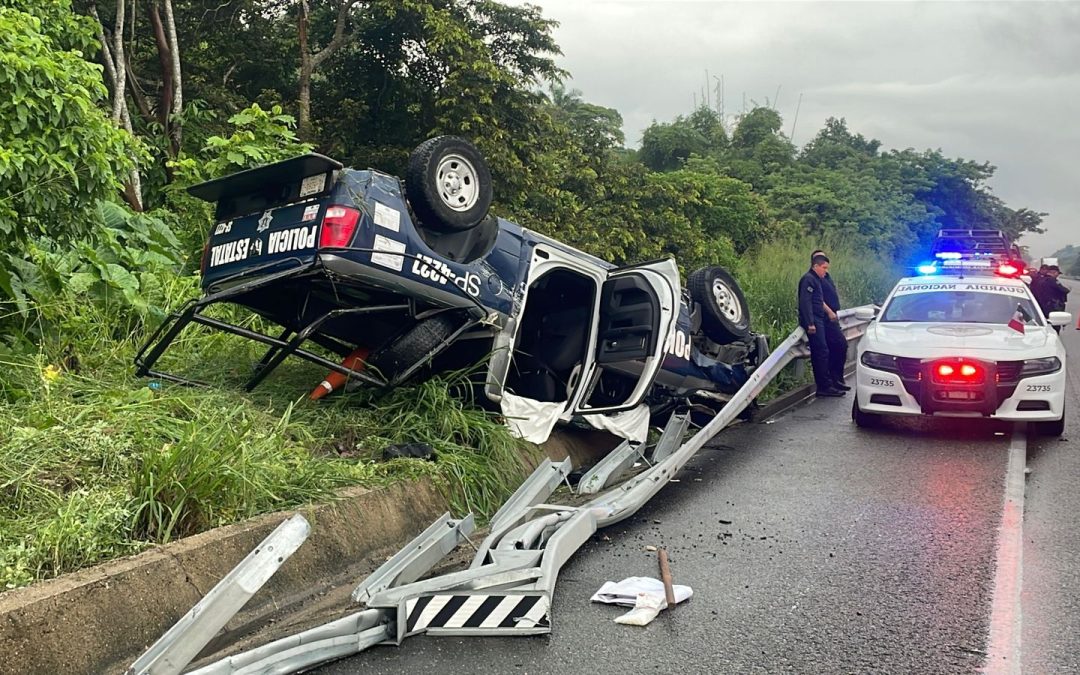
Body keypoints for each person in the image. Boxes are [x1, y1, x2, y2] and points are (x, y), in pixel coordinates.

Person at [798, 254, 844, 397]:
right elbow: (805, 302)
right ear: (815, 266)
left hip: (819, 319)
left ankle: (829, 383)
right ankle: (824, 387)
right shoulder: (808, 279)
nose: (825, 271)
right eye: (823, 268)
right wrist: (810, 322)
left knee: (825, 351)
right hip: (814, 321)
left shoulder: (817, 280)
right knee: (821, 352)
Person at [811, 249, 850, 390]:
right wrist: (829, 311)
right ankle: (833, 380)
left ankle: (837, 379)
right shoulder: (814, 278)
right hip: (825, 318)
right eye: (819, 259)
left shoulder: (826, 276)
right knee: (840, 345)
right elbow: (817, 299)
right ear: (815, 263)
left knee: (837, 348)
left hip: (833, 318)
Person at [1031, 264, 1070, 332]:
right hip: (1052, 308)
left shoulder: (1039, 279)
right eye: (1057, 274)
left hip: (1040, 307)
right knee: (1054, 328)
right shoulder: (1052, 280)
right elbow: (1064, 290)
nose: (1057, 276)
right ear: (1054, 272)